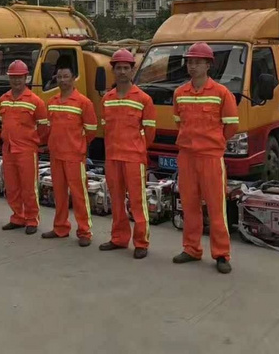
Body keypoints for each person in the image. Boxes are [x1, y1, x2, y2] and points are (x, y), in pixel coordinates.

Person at [171, 42, 239, 274]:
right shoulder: (180, 93)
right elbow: (178, 122)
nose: (193, 66)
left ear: (208, 65)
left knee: (216, 206)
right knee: (189, 205)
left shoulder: (222, 93)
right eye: (190, 62)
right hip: (187, 156)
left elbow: (231, 126)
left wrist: (213, 142)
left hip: (211, 157)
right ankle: (191, 249)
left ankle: (221, 254)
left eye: (198, 62)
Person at [99, 49, 157, 259]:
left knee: (137, 201)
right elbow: (105, 127)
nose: (122, 71)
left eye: (126, 68)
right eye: (118, 68)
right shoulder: (107, 99)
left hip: (133, 158)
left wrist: (138, 149)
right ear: (113, 70)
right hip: (113, 157)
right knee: (115, 199)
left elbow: (149, 133)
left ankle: (141, 242)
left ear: (133, 70)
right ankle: (119, 238)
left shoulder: (144, 99)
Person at [42, 64, 98, 247]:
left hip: (74, 156)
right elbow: (48, 128)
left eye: (66, 76)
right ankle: (60, 227)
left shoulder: (84, 103)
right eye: (59, 77)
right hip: (56, 155)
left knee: (79, 194)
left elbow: (91, 131)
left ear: (74, 78)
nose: (62, 80)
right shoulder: (52, 101)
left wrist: (78, 145)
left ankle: (84, 231)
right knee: (58, 194)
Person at [0, 59, 49, 235]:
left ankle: (31, 219)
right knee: (12, 187)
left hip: (27, 150)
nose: (16, 81)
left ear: (26, 78)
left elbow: (44, 127)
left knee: (29, 187)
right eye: (13, 77)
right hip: (8, 149)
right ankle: (17, 217)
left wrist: (36, 143)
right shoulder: (3, 99)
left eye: (19, 77)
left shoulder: (35, 101)